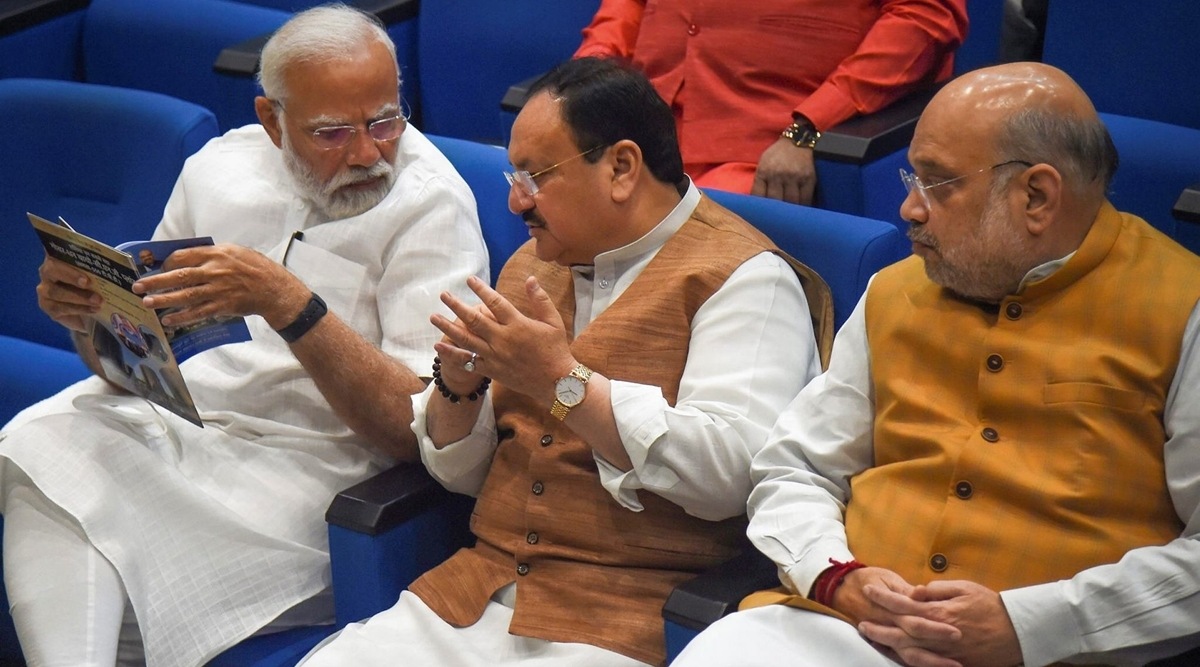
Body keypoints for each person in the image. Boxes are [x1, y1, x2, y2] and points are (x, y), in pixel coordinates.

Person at [299, 56, 833, 667]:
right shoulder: (533, 265)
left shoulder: (745, 280)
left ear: (622, 168)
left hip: (625, 621)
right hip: (471, 597)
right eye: (512, 175)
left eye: (535, 175)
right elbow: (464, 478)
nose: (515, 203)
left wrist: (562, 381)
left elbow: (729, 477)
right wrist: (459, 389)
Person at [0, 5, 487, 665]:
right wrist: (90, 321)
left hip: (315, 472)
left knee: (91, 539)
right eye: (333, 133)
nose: (369, 152)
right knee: (40, 442)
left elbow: (418, 428)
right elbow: (137, 362)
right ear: (271, 120)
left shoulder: (431, 204)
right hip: (185, 427)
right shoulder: (217, 168)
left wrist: (291, 306)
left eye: (385, 119)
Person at [671, 62, 1200, 667]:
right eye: (911, 178)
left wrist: (1030, 625)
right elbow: (795, 468)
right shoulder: (894, 291)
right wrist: (835, 575)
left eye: (938, 184)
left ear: (1037, 196)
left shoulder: (1183, 309)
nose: (908, 210)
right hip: (845, 630)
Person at [574, 0, 968, 205]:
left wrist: (808, 129)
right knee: (546, 202)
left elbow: (924, 18)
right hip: (644, 127)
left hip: (766, 145)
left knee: (670, 244)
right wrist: (589, 73)